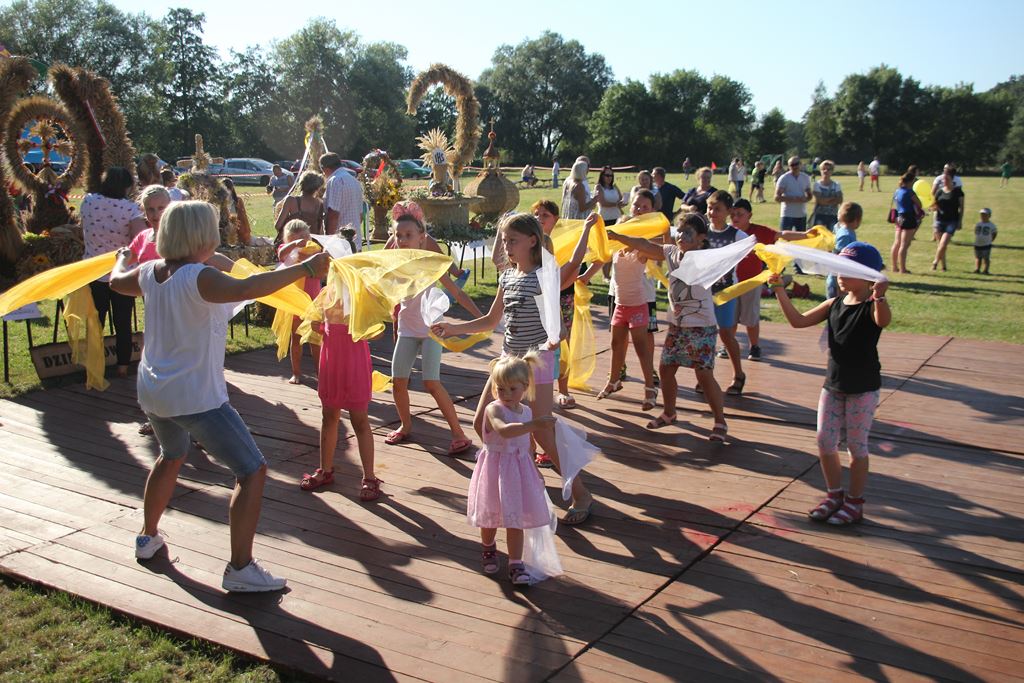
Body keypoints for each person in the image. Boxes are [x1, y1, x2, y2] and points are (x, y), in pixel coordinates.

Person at [110, 200, 330, 590]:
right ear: (202, 235)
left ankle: (147, 537)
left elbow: (116, 280)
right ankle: (241, 569)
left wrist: (123, 257)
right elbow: (248, 288)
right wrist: (307, 268)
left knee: (171, 455)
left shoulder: (149, 272)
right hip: (195, 397)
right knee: (252, 470)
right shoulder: (199, 278)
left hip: (154, 391)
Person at [432, 213, 595, 526]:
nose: (506, 247)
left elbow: (570, 279)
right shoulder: (507, 276)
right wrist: (454, 329)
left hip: (536, 364)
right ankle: (530, 479)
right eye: (504, 240)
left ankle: (581, 493)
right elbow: (492, 321)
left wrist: (586, 229)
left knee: (543, 433)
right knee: (483, 422)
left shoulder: (544, 276)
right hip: (507, 361)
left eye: (512, 240)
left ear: (532, 241)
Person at [768, 241, 890, 526]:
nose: (840, 275)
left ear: (869, 275)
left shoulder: (872, 307)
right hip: (833, 385)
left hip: (863, 387)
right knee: (824, 440)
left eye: (847, 270)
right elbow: (798, 321)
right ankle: (834, 495)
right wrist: (779, 291)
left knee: (857, 446)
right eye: (838, 269)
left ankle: (855, 502)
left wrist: (880, 297)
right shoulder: (833, 303)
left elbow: (882, 321)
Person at [610, 213, 728, 441]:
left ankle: (720, 421)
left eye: (688, 233)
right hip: (677, 325)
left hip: (701, 327)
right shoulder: (672, 252)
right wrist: (617, 235)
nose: (682, 236)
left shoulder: (704, 258)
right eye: (680, 231)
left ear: (701, 238)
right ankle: (669, 412)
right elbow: (644, 244)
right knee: (665, 370)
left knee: (704, 375)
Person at [381, 208, 483, 455]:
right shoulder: (396, 265)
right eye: (399, 235)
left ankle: (458, 434)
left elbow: (457, 292)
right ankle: (405, 425)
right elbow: (378, 286)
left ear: (422, 236)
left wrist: (482, 318)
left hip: (432, 330)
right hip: (407, 330)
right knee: (398, 382)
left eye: (409, 234)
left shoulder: (432, 264)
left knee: (431, 382)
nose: (403, 240)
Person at [469, 353, 558, 585]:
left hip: (519, 469)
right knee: (491, 513)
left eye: (512, 389)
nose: (506, 395)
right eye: (500, 389)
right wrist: (533, 425)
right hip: (495, 468)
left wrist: (535, 469)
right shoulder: (493, 409)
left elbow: (527, 443)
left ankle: (516, 564)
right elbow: (504, 430)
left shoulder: (526, 412)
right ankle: (488, 547)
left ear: (525, 387)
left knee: (515, 517)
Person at [299, 259, 380, 502]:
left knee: (360, 419)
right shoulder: (325, 294)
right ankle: (325, 469)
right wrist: (317, 325)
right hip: (331, 361)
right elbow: (318, 325)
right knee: (329, 415)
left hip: (354, 362)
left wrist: (364, 325)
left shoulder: (361, 296)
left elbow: (378, 329)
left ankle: (370, 476)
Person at [80, 167, 148, 378]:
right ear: (127, 186)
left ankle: (92, 366)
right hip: (122, 273)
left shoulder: (88, 201)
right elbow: (139, 241)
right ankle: (122, 366)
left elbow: (83, 226)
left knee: (94, 321)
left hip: (92, 271)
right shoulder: (130, 208)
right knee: (122, 322)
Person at [532, 200, 598, 412]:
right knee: (538, 343)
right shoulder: (532, 241)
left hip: (562, 297)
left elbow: (575, 267)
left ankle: (563, 389)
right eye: (536, 214)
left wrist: (556, 288)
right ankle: (539, 390)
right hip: (539, 297)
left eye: (545, 215)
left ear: (556, 219)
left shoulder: (567, 239)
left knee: (562, 345)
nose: (540, 219)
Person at [598, 214, 659, 410]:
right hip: (620, 306)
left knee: (641, 347)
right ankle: (614, 380)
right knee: (616, 344)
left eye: (625, 231)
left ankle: (650, 388)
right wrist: (584, 276)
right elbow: (598, 259)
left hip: (637, 306)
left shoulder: (640, 251)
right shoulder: (616, 252)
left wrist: (619, 235)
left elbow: (652, 242)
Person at [705, 191, 748, 395]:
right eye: (710, 208)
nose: (712, 212)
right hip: (704, 291)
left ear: (728, 212)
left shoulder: (737, 235)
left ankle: (738, 373)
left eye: (717, 209)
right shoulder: (703, 231)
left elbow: (754, 248)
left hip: (727, 292)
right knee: (707, 333)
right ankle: (706, 376)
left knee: (726, 334)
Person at [730, 198, 779, 360]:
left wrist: (806, 235)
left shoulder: (760, 232)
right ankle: (727, 344)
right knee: (730, 317)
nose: (735, 218)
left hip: (752, 282)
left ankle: (755, 346)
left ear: (749, 215)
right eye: (733, 214)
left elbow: (781, 235)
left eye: (740, 214)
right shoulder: (727, 232)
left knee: (751, 317)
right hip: (731, 284)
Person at [277, 220, 323, 384]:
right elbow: (281, 255)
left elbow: (321, 272)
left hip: (313, 302)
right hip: (294, 302)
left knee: (315, 340)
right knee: (295, 339)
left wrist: (308, 258)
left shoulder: (316, 251)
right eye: (296, 239)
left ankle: (320, 373)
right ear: (287, 240)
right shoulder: (287, 251)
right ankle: (296, 372)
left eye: (304, 238)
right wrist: (293, 245)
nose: (302, 243)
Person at [320, 153, 363, 251]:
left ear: (325, 169)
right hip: (355, 241)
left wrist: (329, 242)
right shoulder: (355, 181)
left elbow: (333, 214)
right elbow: (360, 216)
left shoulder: (335, 181)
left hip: (340, 243)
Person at [825, 202, 864, 299]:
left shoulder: (840, 228)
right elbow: (841, 258)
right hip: (837, 281)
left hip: (841, 280)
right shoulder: (845, 235)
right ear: (857, 220)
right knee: (835, 309)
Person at [274, 170, 325, 243]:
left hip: (292, 244)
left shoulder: (291, 200)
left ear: (301, 183)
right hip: (311, 245)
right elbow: (320, 231)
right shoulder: (320, 204)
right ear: (317, 188)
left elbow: (278, 225)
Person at [931, 167, 964, 272]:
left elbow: (962, 207)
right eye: (943, 179)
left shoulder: (958, 192)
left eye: (946, 179)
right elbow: (933, 204)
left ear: (951, 179)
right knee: (940, 244)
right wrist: (934, 207)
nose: (944, 181)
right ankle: (944, 266)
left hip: (952, 221)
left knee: (943, 243)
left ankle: (935, 262)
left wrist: (960, 221)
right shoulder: (939, 192)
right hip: (939, 220)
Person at [889, 171, 923, 274]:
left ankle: (894, 267)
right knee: (904, 244)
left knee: (896, 243)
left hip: (899, 217)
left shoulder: (897, 191)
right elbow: (919, 204)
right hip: (908, 217)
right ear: (911, 181)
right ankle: (903, 269)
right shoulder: (910, 192)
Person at [775, 157, 813, 231]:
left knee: (801, 240)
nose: (795, 166)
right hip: (787, 214)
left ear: (801, 164)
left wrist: (806, 198)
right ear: (789, 166)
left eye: (796, 164)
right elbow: (777, 197)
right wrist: (793, 199)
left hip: (802, 214)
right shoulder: (784, 178)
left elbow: (810, 196)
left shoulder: (805, 177)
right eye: (792, 165)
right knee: (785, 240)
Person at [811, 160, 843, 231]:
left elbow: (840, 200)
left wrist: (825, 200)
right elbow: (820, 201)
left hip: (833, 216)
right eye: (823, 169)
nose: (826, 171)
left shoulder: (837, 185)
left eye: (828, 169)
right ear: (820, 170)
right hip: (819, 216)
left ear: (832, 171)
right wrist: (833, 198)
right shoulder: (817, 185)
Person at [221, 178, 252, 245]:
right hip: (225, 229)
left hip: (237, 231)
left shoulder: (238, 201)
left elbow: (243, 218)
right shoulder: (220, 202)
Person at [974, 208, 997, 274]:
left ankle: (986, 270)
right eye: (982, 215)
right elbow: (976, 232)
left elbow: (994, 233)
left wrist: (991, 240)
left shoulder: (991, 225)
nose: (983, 216)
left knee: (986, 258)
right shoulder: (978, 224)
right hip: (977, 243)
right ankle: (977, 269)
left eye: (985, 215)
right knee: (978, 257)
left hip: (986, 244)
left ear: (989, 216)